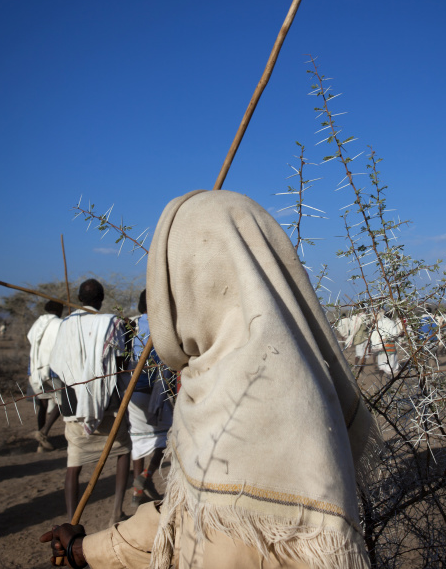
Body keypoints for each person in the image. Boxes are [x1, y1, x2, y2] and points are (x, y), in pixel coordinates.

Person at [42, 191, 379, 568]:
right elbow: (188, 516)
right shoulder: (306, 377)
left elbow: (206, 541)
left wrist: (82, 551)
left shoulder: (237, 400)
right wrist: (86, 550)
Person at [49, 279, 131, 525]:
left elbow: (57, 365)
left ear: (80, 299)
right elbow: (120, 360)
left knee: (73, 464)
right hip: (108, 402)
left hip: (73, 403)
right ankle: (117, 511)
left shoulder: (65, 324)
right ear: (101, 299)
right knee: (124, 450)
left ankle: (72, 518)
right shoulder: (112, 323)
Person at [127, 289, 174, 507]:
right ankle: (145, 476)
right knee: (169, 437)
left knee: (138, 439)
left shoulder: (133, 324)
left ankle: (138, 491)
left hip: (132, 390)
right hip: (154, 388)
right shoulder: (163, 324)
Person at [27, 300, 64, 451]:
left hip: (35, 368)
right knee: (64, 401)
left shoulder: (37, 324)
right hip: (51, 368)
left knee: (42, 404)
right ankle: (43, 432)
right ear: (60, 310)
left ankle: (41, 445)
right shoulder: (60, 324)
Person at [370, 308, 401, 376]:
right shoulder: (391, 323)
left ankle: (380, 377)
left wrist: (376, 344)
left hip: (380, 345)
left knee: (381, 364)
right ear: (390, 316)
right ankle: (390, 378)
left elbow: (374, 334)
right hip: (388, 345)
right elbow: (394, 334)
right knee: (391, 363)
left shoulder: (379, 322)